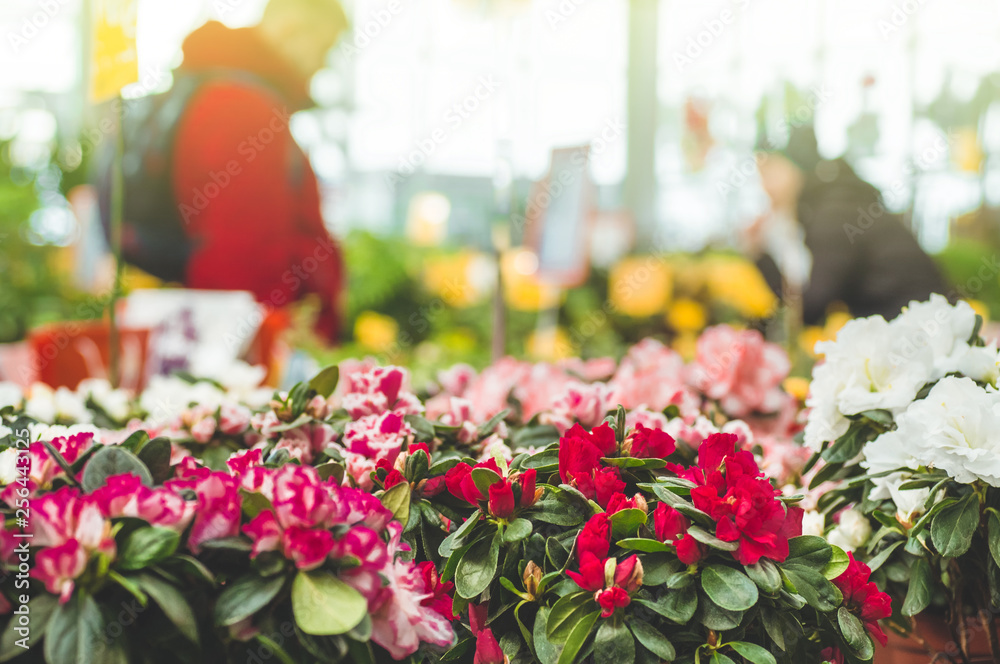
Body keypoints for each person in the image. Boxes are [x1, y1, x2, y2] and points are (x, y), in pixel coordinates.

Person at [97, 0, 348, 341]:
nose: (322, 65)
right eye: (324, 47)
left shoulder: (221, 92)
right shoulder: (245, 109)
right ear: (292, 28)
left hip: (228, 332)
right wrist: (268, 353)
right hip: (251, 345)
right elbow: (244, 259)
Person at [747, 125, 948, 324]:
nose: (764, 186)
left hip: (919, 328)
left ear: (798, 166)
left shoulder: (834, 214)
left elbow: (810, 309)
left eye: (769, 172)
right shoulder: (837, 201)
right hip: (917, 321)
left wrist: (760, 254)